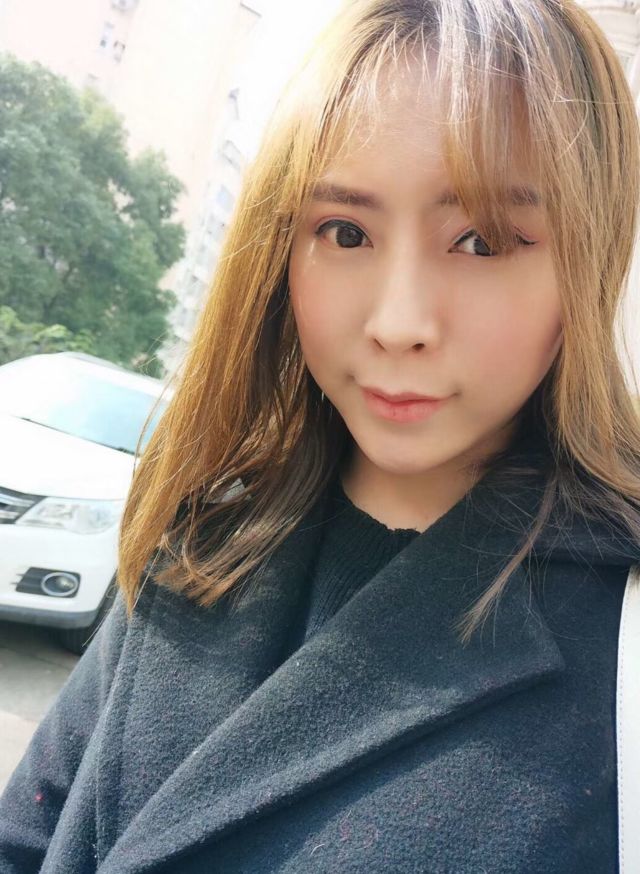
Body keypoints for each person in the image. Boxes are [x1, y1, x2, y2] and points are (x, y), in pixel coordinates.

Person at [1, 0, 640, 871]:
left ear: (589, 258)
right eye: (345, 232)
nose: (398, 322)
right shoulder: (209, 534)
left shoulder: (618, 630)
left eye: (483, 240)